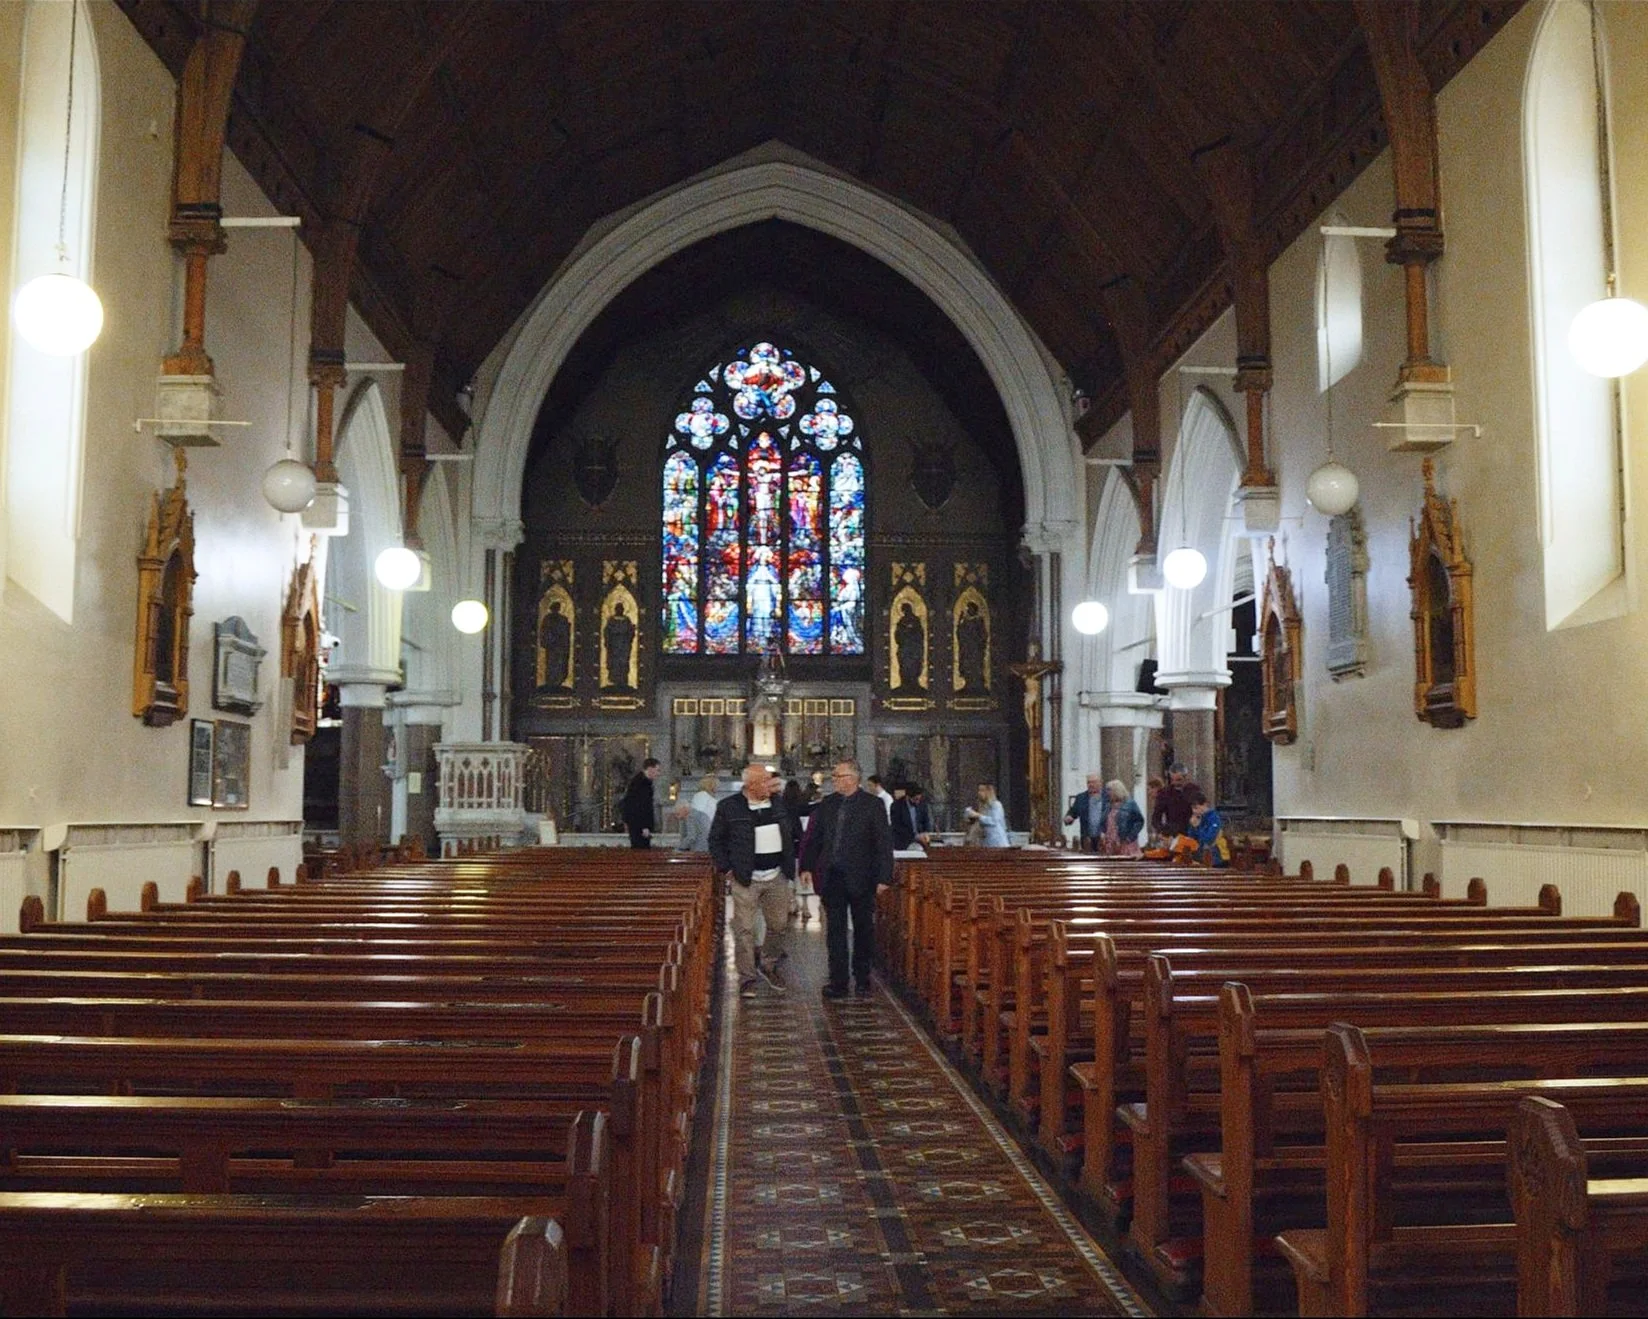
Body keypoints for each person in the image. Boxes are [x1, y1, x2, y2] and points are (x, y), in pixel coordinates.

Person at [800, 760, 894, 999]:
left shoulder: (873, 805)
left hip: (863, 877)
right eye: (834, 776)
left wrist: (884, 876)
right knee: (835, 931)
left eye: (838, 776)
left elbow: (883, 843)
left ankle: (862, 979)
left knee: (863, 929)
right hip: (833, 876)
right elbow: (815, 838)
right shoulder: (827, 804)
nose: (835, 780)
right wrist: (807, 866)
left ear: (853, 778)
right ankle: (838, 981)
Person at [709, 764, 796, 999]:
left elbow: (791, 832)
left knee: (778, 925)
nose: (770, 785)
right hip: (745, 877)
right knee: (744, 929)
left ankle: (768, 963)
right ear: (750, 785)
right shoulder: (728, 807)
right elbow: (715, 840)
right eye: (765, 781)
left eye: (770, 781)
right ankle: (747, 978)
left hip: (776, 875)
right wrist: (726, 868)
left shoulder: (779, 804)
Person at [1150, 764, 1197, 840]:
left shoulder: (1194, 790)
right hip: (1173, 835)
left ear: (1186, 777)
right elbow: (1156, 818)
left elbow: (1202, 810)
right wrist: (1162, 831)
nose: (1175, 783)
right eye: (1172, 780)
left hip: (1192, 833)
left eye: (1179, 780)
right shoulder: (1165, 793)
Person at [1186, 788, 1231, 867]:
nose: (1194, 811)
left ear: (1205, 804)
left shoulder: (1214, 818)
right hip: (1200, 856)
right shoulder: (1197, 818)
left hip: (1217, 858)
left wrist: (1198, 827)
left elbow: (1209, 839)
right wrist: (1192, 827)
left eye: (1196, 808)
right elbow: (1191, 838)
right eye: (1192, 808)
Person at [621, 757, 660, 848]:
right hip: (639, 826)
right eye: (657, 770)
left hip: (636, 825)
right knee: (641, 851)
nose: (658, 773)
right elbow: (640, 807)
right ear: (650, 769)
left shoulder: (640, 781)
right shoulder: (641, 784)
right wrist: (645, 826)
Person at [1063, 773, 1108, 852]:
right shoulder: (1081, 798)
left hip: (1105, 839)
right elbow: (1073, 812)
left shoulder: (1108, 797)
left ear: (1101, 782)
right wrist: (1068, 817)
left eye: (1094, 782)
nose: (1091, 785)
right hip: (1087, 839)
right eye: (1089, 782)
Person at [1101, 779, 1145, 858]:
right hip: (1111, 842)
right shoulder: (1108, 805)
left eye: (1109, 790)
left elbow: (1139, 821)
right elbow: (1105, 822)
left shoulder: (1129, 804)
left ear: (1116, 790)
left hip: (1125, 841)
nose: (1107, 793)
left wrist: (1130, 837)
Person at [676, 773, 718, 853]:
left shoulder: (694, 811)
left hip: (701, 847)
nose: (717, 788)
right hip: (704, 845)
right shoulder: (702, 797)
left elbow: (691, 836)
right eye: (715, 785)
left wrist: (679, 848)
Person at [964, 783, 1010, 848]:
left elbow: (994, 821)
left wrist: (978, 815)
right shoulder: (982, 806)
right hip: (986, 841)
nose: (979, 793)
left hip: (997, 841)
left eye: (982, 790)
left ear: (989, 792)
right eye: (979, 790)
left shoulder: (996, 805)